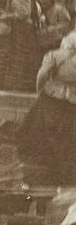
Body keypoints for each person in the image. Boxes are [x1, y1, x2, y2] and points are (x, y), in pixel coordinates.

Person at [19, 30, 76, 182]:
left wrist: (39, 91)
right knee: (69, 133)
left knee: (40, 125)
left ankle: (42, 158)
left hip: (53, 96)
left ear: (66, 42)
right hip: (73, 100)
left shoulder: (53, 55)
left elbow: (42, 75)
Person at [0, 0, 41, 92]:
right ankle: (9, 84)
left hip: (22, 31)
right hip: (17, 30)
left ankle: (17, 85)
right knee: (13, 57)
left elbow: (24, 14)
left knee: (19, 58)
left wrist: (8, 16)